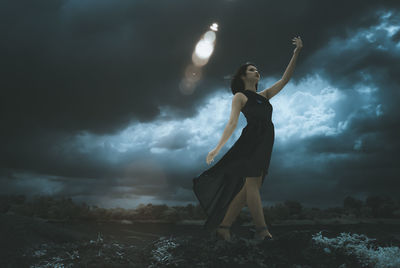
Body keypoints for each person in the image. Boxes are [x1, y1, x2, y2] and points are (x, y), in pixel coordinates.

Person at [193, 36, 303, 241]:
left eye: (256, 69)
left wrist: (296, 53)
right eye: (252, 69)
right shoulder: (240, 97)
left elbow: (285, 80)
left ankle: (224, 227)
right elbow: (232, 123)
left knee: (248, 189)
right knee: (252, 184)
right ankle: (262, 232)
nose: (256, 71)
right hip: (250, 142)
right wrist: (217, 149)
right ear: (243, 76)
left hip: (265, 141)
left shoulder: (265, 95)